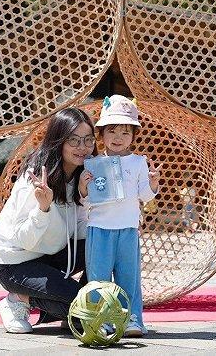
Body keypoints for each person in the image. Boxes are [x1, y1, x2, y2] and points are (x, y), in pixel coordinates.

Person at [0, 108, 97, 333]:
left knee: (100, 244)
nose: (82, 147)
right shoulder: (37, 179)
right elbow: (24, 240)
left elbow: (79, 231)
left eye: (88, 140)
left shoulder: (80, 175)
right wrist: (43, 208)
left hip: (50, 255)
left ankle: (76, 307)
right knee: (82, 308)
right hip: (16, 263)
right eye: (74, 140)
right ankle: (19, 298)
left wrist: (86, 200)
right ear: (59, 141)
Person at [78, 95, 161, 337]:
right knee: (98, 279)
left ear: (134, 136)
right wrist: (83, 185)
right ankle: (100, 319)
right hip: (99, 229)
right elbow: (85, 200)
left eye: (125, 133)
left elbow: (145, 196)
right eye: (112, 131)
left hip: (127, 229)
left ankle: (131, 318)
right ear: (101, 134)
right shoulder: (92, 163)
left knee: (129, 276)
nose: (118, 138)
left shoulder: (139, 162)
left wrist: (153, 182)